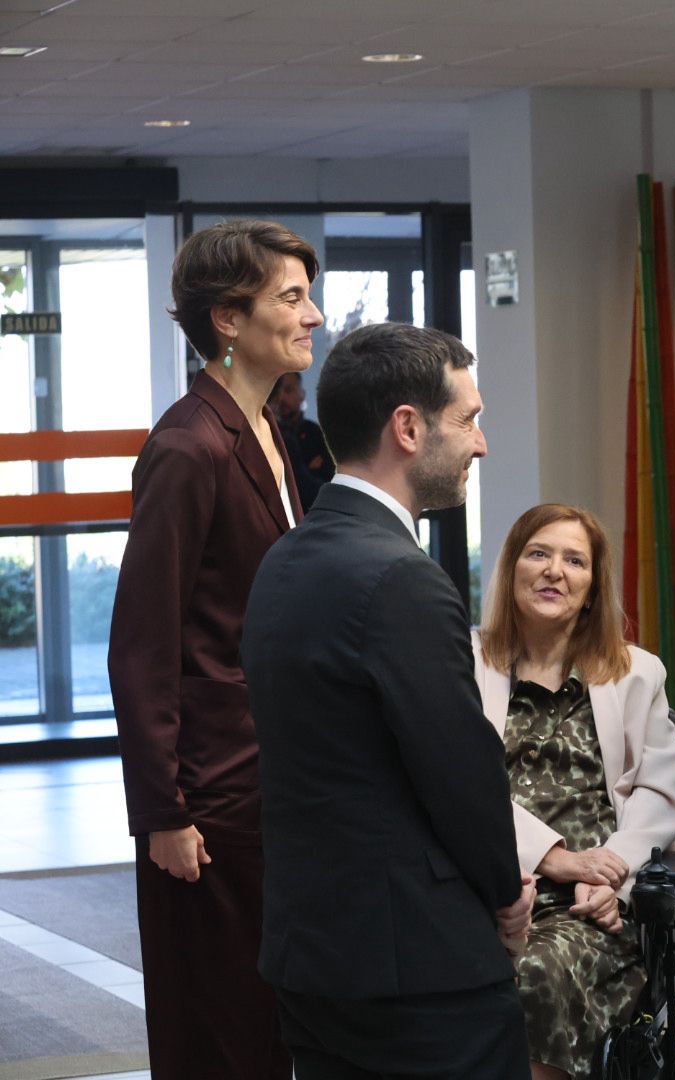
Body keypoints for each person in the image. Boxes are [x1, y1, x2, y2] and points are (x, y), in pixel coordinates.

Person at [241, 322, 532, 1079]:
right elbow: (459, 770)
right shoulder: (400, 579)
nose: (481, 443)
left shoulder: (286, 558)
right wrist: (506, 894)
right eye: (467, 419)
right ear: (408, 427)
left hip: (314, 955)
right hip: (418, 969)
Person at [107, 218, 322, 1080]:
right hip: (208, 792)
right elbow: (143, 643)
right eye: (292, 297)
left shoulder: (267, 426)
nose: (313, 315)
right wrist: (162, 811)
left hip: (264, 775)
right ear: (227, 320)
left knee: (266, 1017)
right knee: (218, 1028)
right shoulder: (188, 445)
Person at [473, 502, 675, 1080]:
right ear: (512, 567)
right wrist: (554, 857)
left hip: (592, 907)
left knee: (537, 974)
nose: (554, 571)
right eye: (538, 553)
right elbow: (459, 787)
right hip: (484, 886)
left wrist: (613, 874)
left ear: (593, 588)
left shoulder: (638, 673)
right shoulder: (464, 665)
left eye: (574, 560)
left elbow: (659, 796)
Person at [271, 369, 334, 509]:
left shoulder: (316, 433)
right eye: (277, 392)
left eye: (288, 390)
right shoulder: (269, 435)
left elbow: (328, 482)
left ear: (302, 394)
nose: (281, 398)